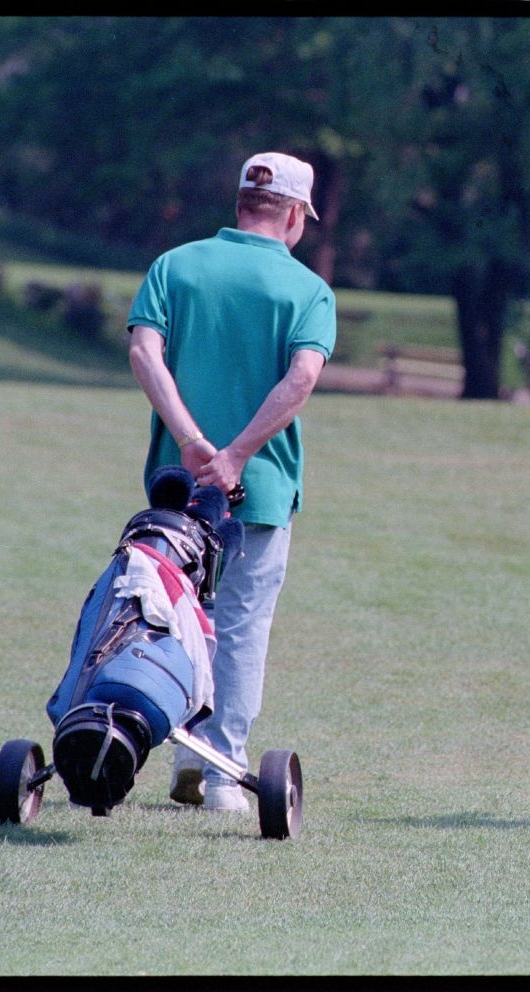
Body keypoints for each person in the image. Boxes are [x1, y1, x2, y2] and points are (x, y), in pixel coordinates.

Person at [126, 151, 336, 812]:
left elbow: (143, 351)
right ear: (296, 215)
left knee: (182, 616)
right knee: (242, 623)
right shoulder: (307, 290)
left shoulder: (175, 265)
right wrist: (238, 454)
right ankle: (225, 776)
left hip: (176, 488)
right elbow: (301, 377)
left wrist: (191, 441)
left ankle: (187, 749)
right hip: (261, 489)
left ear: (241, 202)